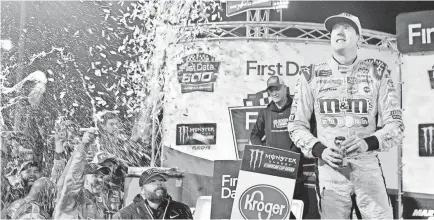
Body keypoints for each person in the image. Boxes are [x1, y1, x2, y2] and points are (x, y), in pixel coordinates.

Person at [287, 12, 404, 219]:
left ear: (359, 38)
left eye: (347, 27)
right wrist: (319, 150)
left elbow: (396, 126)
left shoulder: (377, 72)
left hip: (367, 169)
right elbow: (296, 125)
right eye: (334, 29)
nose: (339, 31)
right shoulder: (310, 74)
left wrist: (367, 143)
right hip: (330, 170)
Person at [250, 76, 311, 219]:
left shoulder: (297, 108)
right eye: (271, 90)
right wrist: (264, 152)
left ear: (285, 88)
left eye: (277, 89)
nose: (274, 93)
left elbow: (308, 131)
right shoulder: (265, 112)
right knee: (276, 209)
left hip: (295, 168)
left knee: (300, 208)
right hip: (273, 169)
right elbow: (254, 135)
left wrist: (295, 152)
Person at [53, 129, 112, 219]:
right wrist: (83, 146)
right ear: (82, 178)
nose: (100, 180)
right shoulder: (72, 198)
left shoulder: (98, 204)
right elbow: (73, 174)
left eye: (101, 177)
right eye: (95, 176)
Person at [113, 168, 193, 219]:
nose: (159, 183)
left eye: (161, 180)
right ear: (142, 190)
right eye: (152, 181)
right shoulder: (125, 216)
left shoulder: (182, 210)